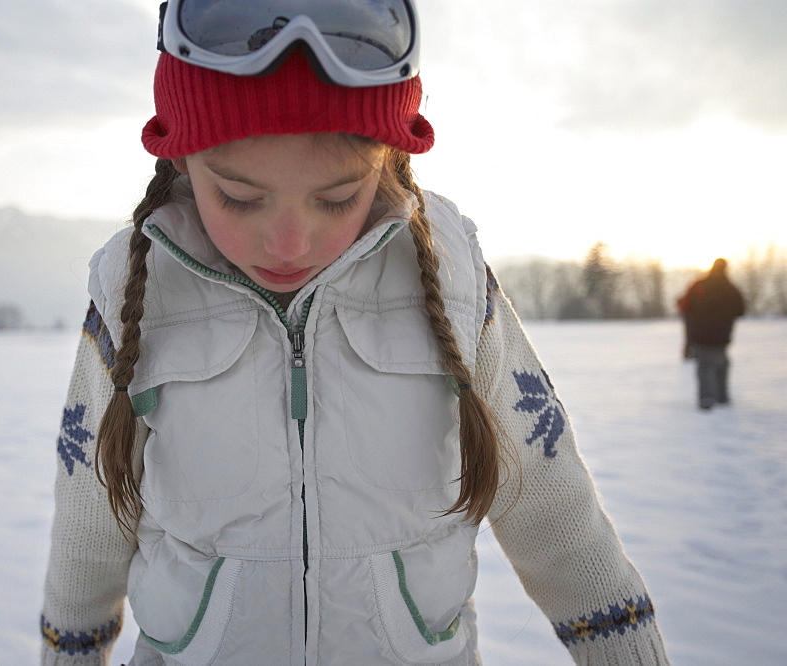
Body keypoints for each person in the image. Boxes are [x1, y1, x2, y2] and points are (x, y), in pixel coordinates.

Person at [41, 2, 668, 663]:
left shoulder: (452, 278)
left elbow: (551, 500)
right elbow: (89, 519)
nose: (289, 242)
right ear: (182, 163)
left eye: (338, 198)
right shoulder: (133, 290)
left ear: (387, 163)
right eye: (239, 198)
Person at [678, 258, 745, 409]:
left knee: (705, 366)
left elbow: (685, 306)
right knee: (721, 363)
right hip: (722, 335)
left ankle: (707, 397)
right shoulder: (730, 288)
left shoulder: (699, 285)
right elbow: (741, 310)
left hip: (701, 334)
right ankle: (721, 397)